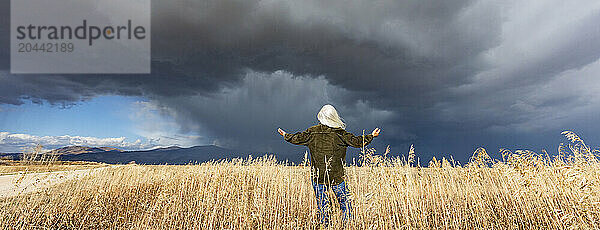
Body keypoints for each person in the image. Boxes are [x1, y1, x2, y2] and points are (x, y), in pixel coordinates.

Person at [277, 104, 381, 226]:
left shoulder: (312, 132)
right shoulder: (341, 134)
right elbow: (357, 142)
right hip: (337, 177)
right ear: (334, 117)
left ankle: (324, 226)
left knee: (323, 208)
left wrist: (285, 135)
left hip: (318, 177)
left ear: (320, 117)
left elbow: (297, 138)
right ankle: (347, 226)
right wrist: (371, 136)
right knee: (345, 204)